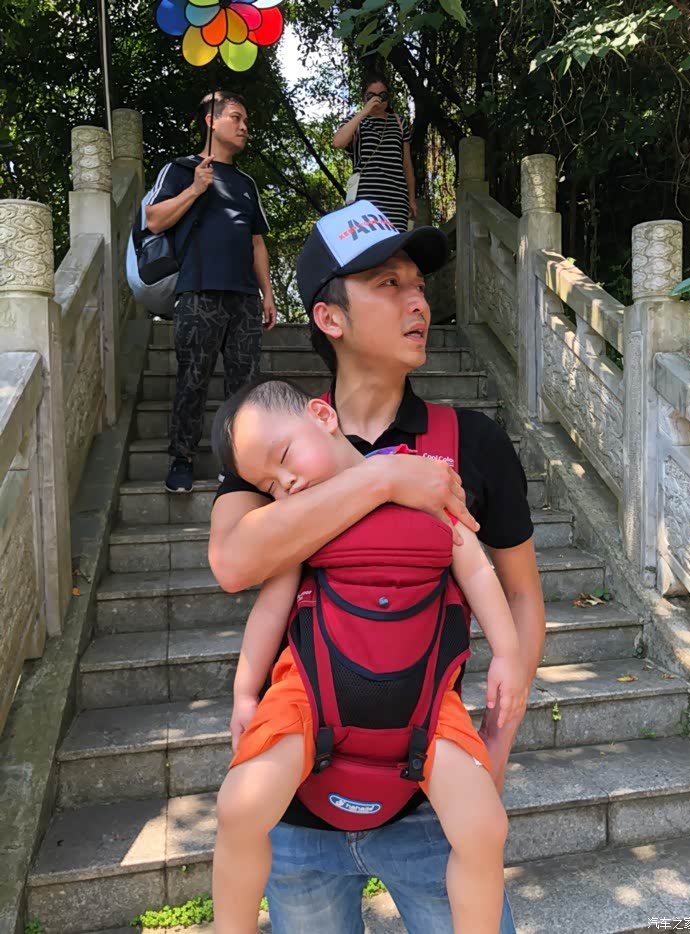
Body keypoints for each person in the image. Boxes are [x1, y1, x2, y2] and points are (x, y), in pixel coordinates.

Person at [208, 200, 546, 934]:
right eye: (388, 284)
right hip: (296, 806)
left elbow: (519, 592)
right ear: (329, 317)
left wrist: (501, 723)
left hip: (428, 795)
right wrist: (386, 478)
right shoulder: (270, 438)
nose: (417, 300)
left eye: (417, 284)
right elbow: (235, 562)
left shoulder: (473, 443)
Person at [145, 90, 277, 494]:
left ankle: (238, 465)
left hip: (244, 298)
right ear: (211, 121)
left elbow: (257, 241)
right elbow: (153, 220)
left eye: (246, 121)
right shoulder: (181, 170)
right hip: (198, 291)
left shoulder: (246, 183)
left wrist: (268, 294)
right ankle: (181, 459)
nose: (243, 127)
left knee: (245, 386)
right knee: (192, 378)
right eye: (235, 117)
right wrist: (195, 189)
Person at [332, 73, 416, 231]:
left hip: (396, 198)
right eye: (371, 96)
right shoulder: (356, 122)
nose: (377, 100)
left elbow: (407, 165)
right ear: (363, 97)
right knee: (369, 242)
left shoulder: (399, 122)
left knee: (395, 242)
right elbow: (338, 142)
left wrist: (411, 199)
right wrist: (364, 112)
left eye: (382, 95)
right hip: (365, 198)